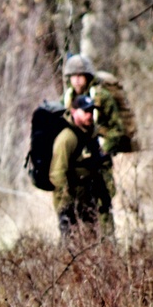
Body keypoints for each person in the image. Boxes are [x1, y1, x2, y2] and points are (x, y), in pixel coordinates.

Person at [62, 54, 125, 237]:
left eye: (81, 75)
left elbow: (117, 129)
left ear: (88, 76)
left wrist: (104, 148)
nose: (77, 80)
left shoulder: (102, 98)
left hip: (99, 164)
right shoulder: (66, 99)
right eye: (73, 76)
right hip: (78, 166)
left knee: (103, 208)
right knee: (76, 211)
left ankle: (108, 252)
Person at [49, 95, 110, 240]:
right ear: (74, 111)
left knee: (92, 243)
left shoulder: (92, 135)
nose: (89, 115)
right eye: (85, 111)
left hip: (89, 200)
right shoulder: (67, 138)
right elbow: (57, 173)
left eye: (91, 111)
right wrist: (66, 204)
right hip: (70, 203)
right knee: (70, 245)